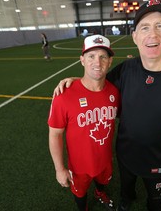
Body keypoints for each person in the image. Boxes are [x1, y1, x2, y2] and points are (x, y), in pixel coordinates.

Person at [53, 0, 161, 211]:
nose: (152, 34)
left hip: (159, 159)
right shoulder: (126, 69)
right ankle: (125, 201)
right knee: (127, 190)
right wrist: (75, 81)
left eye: (159, 26)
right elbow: (98, 81)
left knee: (155, 200)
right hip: (125, 154)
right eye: (144, 27)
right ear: (135, 36)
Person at [48, 34, 120, 211]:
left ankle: (100, 193)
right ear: (82, 60)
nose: (98, 62)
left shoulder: (115, 92)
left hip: (105, 160)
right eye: (91, 56)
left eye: (103, 56)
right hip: (79, 166)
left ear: (110, 61)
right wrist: (59, 169)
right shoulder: (64, 95)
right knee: (80, 193)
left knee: (103, 181)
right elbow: (55, 134)